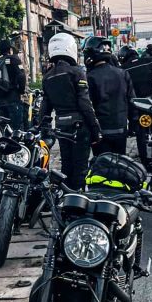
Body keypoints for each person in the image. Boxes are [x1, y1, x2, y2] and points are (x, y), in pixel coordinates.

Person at [38, 32, 101, 188]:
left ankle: (65, 201)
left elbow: (44, 110)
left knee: (66, 166)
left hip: (61, 126)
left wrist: (43, 131)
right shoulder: (77, 72)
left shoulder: (47, 77)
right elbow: (85, 104)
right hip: (79, 126)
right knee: (80, 168)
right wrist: (95, 129)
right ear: (70, 48)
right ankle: (77, 203)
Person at [118, 44, 152, 166]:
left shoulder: (123, 69)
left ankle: (145, 161)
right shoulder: (150, 61)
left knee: (140, 132)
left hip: (136, 105)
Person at [84, 37, 133, 156]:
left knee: (102, 168)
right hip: (121, 129)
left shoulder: (90, 77)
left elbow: (87, 106)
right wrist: (133, 124)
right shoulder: (122, 73)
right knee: (120, 163)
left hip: (100, 132)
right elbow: (131, 100)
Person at [0, 38, 26, 130]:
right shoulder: (14, 59)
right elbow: (21, 77)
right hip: (12, 99)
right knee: (17, 128)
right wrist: (21, 91)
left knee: (5, 128)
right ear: (10, 49)